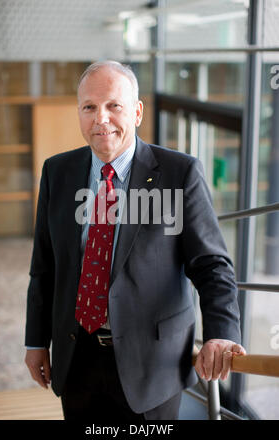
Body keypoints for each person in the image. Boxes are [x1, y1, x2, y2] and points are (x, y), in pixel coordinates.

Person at [25, 60, 246, 421]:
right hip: (77, 357)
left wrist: (219, 333)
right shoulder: (57, 171)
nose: (101, 119)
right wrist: (36, 341)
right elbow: (44, 266)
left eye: (114, 105)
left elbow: (211, 265)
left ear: (138, 112)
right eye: (89, 107)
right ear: (79, 113)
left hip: (153, 364)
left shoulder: (179, 173)